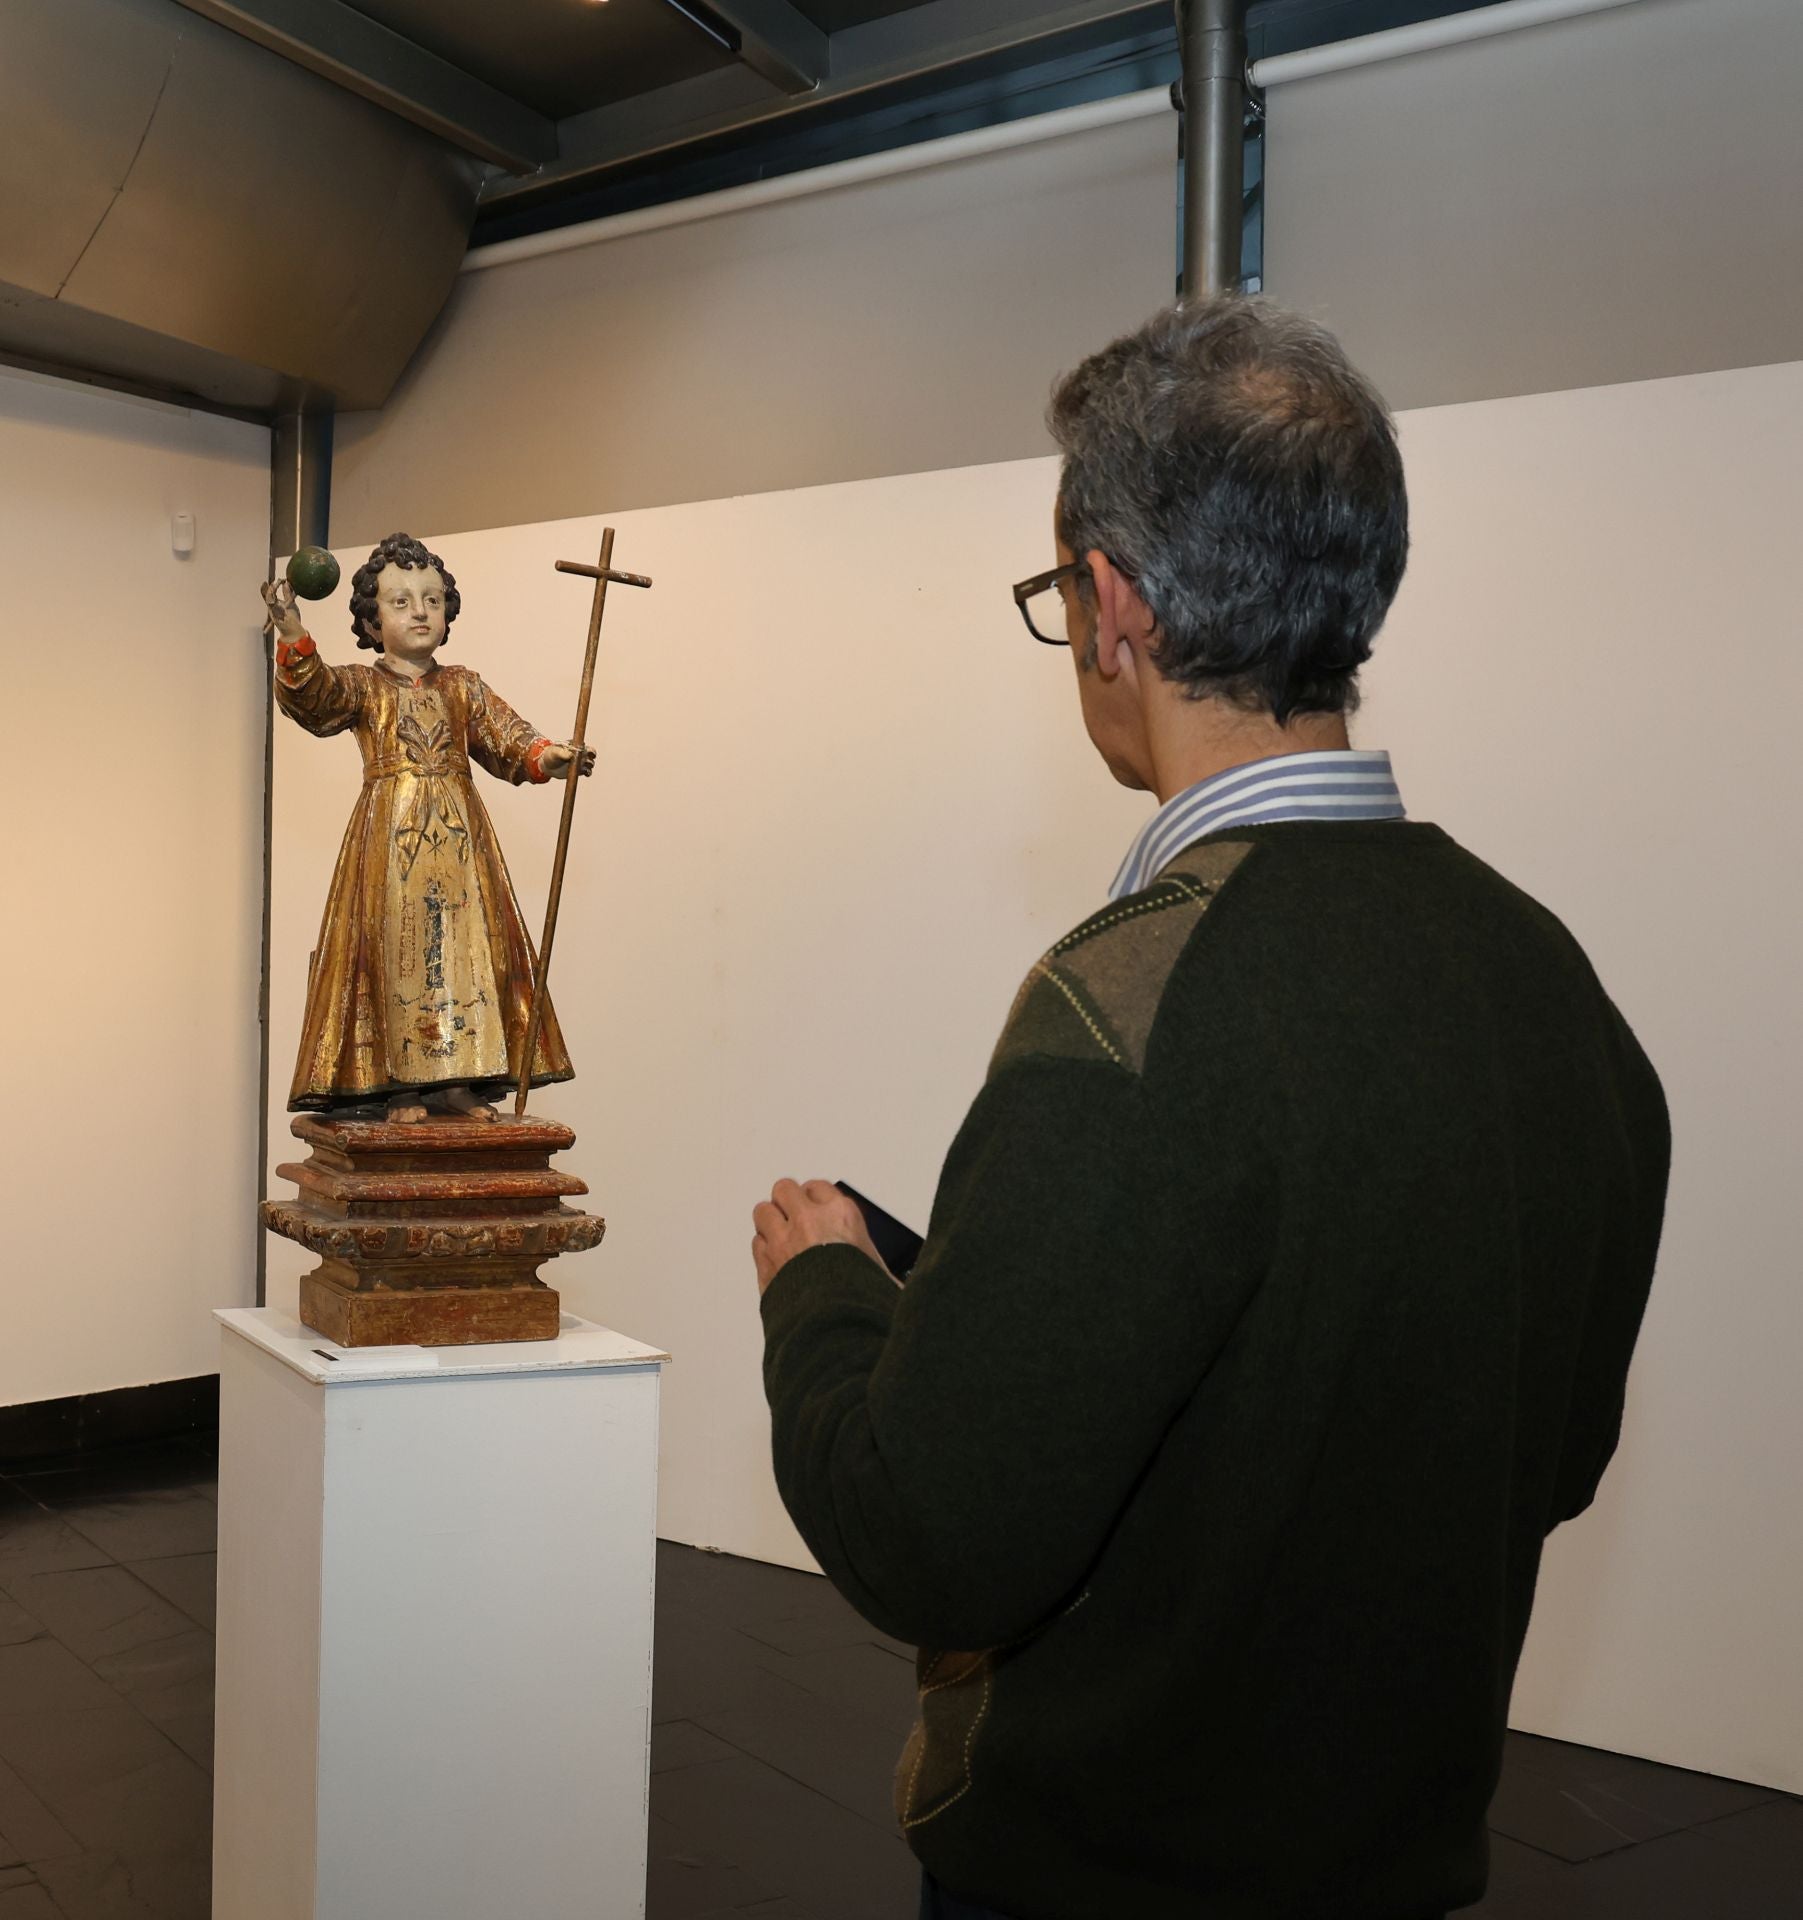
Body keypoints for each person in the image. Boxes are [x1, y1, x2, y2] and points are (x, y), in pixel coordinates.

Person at [750, 299, 1669, 1920]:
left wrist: (820, 1292)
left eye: (1058, 600)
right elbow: (1550, 1448)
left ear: (1112, 609)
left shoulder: (1128, 997)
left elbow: (925, 1538)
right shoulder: (1551, 982)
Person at [265, 532, 592, 1120]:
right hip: (389, 839)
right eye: (400, 601)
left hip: (461, 841)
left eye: (432, 600)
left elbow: (507, 738)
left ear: (448, 611)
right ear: (369, 622)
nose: (419, 611)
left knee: (465, 947)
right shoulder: (366, 686)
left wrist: (549, 757)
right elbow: (315, 697)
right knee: (396, 946)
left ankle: (455, 1077)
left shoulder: (461, 684)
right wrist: (291, 628)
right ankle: (400, 1086)